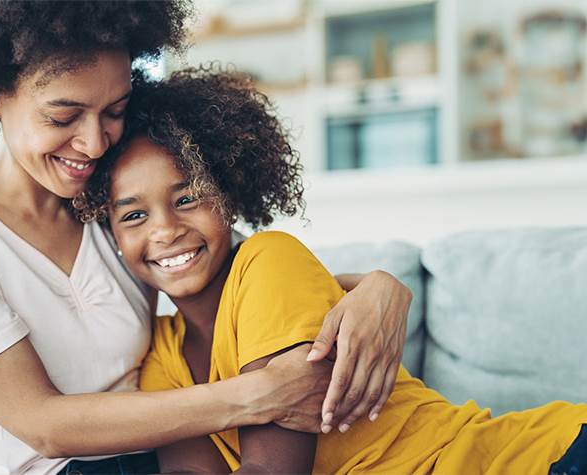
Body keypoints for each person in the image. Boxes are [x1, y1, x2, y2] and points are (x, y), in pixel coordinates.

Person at [0, 2, 412, 474]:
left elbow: (246, 281)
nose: (93, 143)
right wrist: (260, 396)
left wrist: (379, 289)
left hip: (168, 456)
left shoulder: (115, 204)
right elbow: (40, 423)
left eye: (114, 112)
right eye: (64, 116)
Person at [75, 67, 587, 475]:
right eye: (134, 215)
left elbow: (272, 470)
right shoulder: (162, 353)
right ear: (112, 235)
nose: (164, 230)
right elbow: (191, 470)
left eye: (187, 198)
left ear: (228, 199)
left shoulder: (269, 261)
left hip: (537, 459)